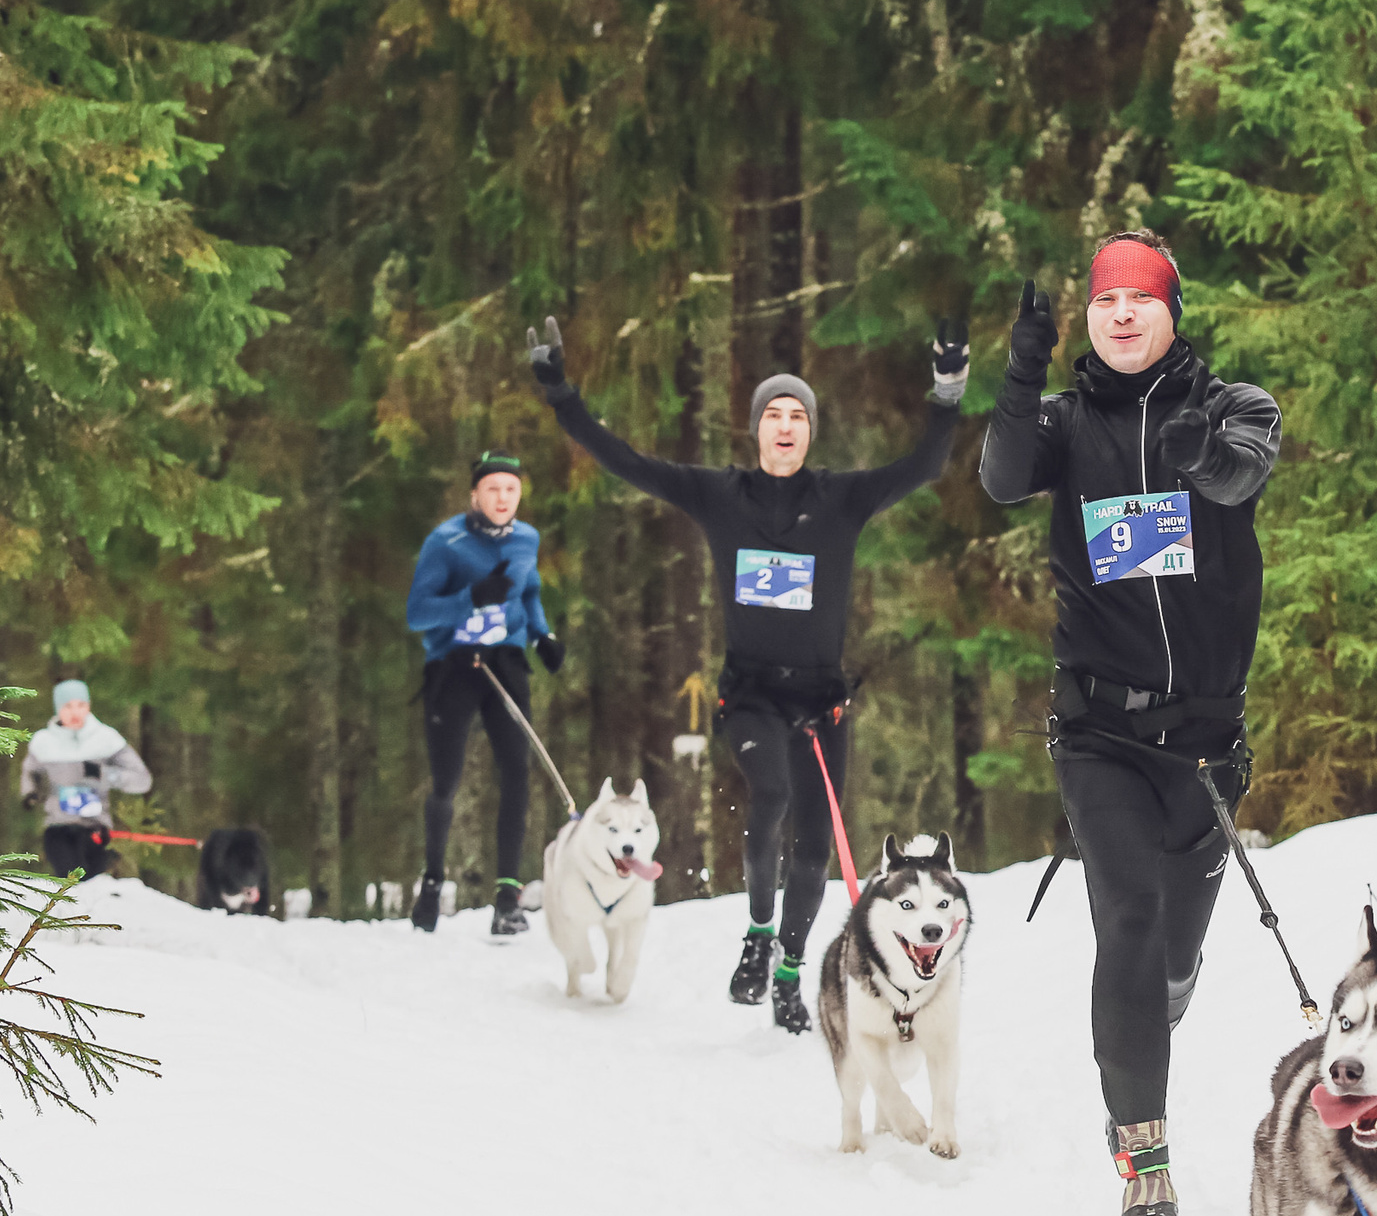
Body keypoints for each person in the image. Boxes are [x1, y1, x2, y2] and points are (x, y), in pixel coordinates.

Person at [526, 315, 968, 1030]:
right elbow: (626, 460)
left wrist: (946, 392)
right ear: (757, 430)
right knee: (771, 791)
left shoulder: (841, 501)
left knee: (816, 846)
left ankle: (791, 967)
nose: (785, 426)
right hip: (753, 697)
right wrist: (561, 394)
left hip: (822, 703)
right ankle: (758, 935)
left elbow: (922, 466)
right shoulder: (719, 495)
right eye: (773, 414)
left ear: (810, 432)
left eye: (798, 415)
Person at [979, 230, 1282, 1216]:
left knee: (1171, 955)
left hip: (1202, 742)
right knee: (1131, 917)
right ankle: (1143, 1174)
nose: (1120, 315)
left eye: (1140, 300)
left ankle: (1163, 992)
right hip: (1098, 730)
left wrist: (1193, 446)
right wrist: (1020, 372)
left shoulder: (1236, 404)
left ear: (1171, 313)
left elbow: (1239, 478)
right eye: (1105, 299)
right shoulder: (1063, 425)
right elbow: (1001, 474)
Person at [404, 450, 563, 935]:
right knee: (446, 779)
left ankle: (507, 900)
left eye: (511, 489)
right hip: (455, 665)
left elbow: (529, 588)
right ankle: (432, 880)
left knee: (517, 770)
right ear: (474, 494)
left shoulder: (527, 539)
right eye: (492, 489)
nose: (502, 498)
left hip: (507, 662)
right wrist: (469, 598)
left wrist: (541, 635)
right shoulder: (446, 542)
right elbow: (417, 614)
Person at [19, 680, 153, 879]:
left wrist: (104, 774)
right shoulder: (43, 742)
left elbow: (142, 780)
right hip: (57, 828)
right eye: (68, 706)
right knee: (69, 883)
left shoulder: (107, 739)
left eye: (81, 706)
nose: (75, 713)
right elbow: (29, 771)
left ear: (89, 707)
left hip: (95, 830)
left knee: (93, 885)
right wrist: (30, 793)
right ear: (57, 709)